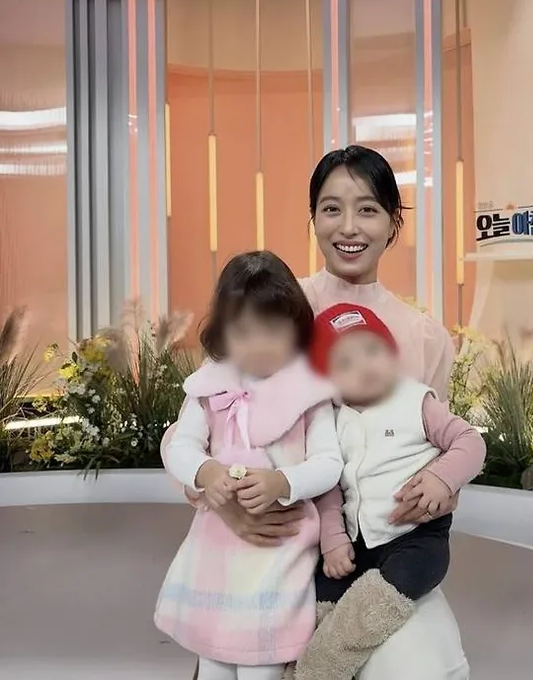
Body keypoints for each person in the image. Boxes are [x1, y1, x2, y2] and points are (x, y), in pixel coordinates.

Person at [167, 145, 470, 680]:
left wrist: (440, 489)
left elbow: (439, 446)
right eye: (331, 209)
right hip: (276, 547)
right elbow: (196, 425)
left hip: (380, 550)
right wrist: (229, 509)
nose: (348, 226)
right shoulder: (276, 305)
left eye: (368, 209)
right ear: (312, 218)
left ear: (393, 222)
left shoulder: (424, 337)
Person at [155, 251, 344, 680]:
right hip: (217, 553)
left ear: (296, 327)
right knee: (214, 656)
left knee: (263, 661)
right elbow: (181, 447)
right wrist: (206, 473)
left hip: (279, 552)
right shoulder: (210, 385)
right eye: (243, 332)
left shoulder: (308, 390)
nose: (258, 345)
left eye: (272, 331)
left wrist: (282, 481)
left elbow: (329, 463)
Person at [292, 303, 485, 679]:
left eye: (372, 350)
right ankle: (311, 654)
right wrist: (333, 540)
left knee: (407, 576)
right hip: (359, 543)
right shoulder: (333, 421)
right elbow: (329, 489)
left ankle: (329, 656)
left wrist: (442, 479)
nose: (365, 366)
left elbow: (469, 441)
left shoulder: (416, 401)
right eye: (345, 363)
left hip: (415, 537)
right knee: (323, 588)